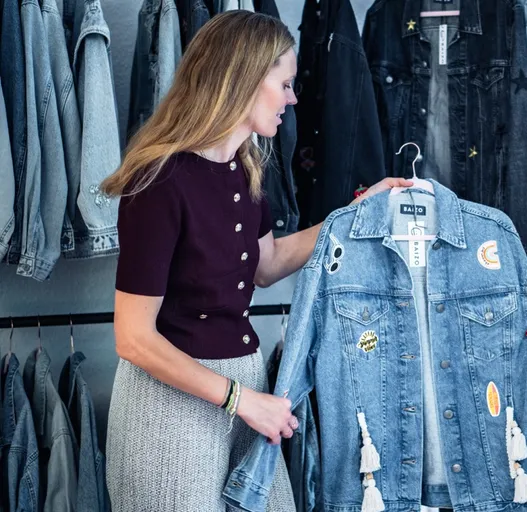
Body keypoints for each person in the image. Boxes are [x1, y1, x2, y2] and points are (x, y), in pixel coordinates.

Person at [100, 11, 410, 511]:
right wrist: (241, 401)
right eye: (285, 84)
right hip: (170, 408)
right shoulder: (158, 183)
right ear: (243, 78)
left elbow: (267, 264)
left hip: (245, 387)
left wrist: (355, 215)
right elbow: (133, 337)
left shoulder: (245, 169)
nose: (293, 98)